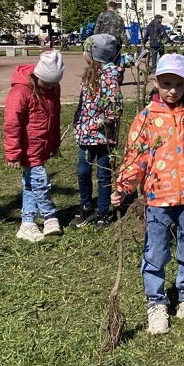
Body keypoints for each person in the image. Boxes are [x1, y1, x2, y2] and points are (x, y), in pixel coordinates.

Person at [112, 53, 184, 335]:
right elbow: (134, 158)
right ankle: (156, 303)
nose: (172, 90)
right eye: (166, 84)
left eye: (179, 85)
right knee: (156, 253)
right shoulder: (145, 119)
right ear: (155, 82)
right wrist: (123, 187)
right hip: (158, 198)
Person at [3, 51, 65, 242]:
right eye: (47, 84)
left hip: (41, 146)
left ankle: (27, 223)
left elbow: (55, 118)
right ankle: (49, 216)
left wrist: (54, 144)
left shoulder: (53, 89)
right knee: (41, 182)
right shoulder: (20, 92)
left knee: (30, 185)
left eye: (54, 84)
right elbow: (11, 124)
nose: (51, 87)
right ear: (38, 76)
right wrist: (13, 152)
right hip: (28, 149)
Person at [69, 34, 124, 231]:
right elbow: (83, 103)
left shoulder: (109, 75)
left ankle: (102, 211)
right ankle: (86, 207)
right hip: (84, 134)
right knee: (82, 171)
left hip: (102, 137)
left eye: (85, 50)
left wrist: (103, 122)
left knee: (103, 175)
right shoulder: (89, 75)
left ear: (94, 54)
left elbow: (115, 106)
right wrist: (78, 121)